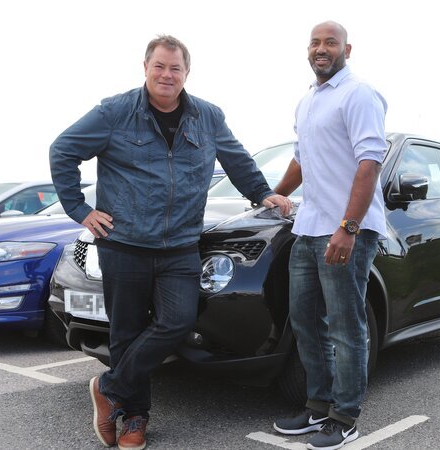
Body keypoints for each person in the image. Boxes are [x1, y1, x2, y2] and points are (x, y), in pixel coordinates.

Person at [49, 35, 291, 450]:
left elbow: (236, 159)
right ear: (145, 68)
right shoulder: (114, 111)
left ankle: (108, 387)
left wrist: (262, 193)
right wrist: (80, 209)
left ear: (186, 73)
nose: (167, 75)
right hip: (123, 243)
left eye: (175, 68)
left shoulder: (208, 117)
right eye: (159, 66)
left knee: (178, 320)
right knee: (125, 332)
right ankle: (133, 419)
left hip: (180, 245)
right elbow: (63, 150)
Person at [271, 21, 388, 450]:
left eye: (331, 43)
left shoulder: (358, 94)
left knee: (345, 324)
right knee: (305, 320)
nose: (322, 49)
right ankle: (318, 406)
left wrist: (349, 227)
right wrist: (273, 193)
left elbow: (369, 162)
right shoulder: (308, 101)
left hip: (345, 231)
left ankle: (345, 416)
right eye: (316, 43)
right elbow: (302, 160)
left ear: (347, 49)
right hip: (309, 227)